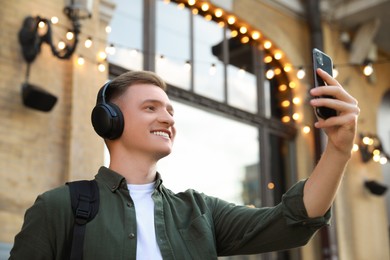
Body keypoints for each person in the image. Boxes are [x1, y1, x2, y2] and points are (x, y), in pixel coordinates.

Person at [10, 69, 359, 259]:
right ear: (109, 120)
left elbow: (293, 220)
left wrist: (339, 149)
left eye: (170, 111)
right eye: (151, 108)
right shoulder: (59, 208)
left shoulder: (199, 211)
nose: (167, 118)